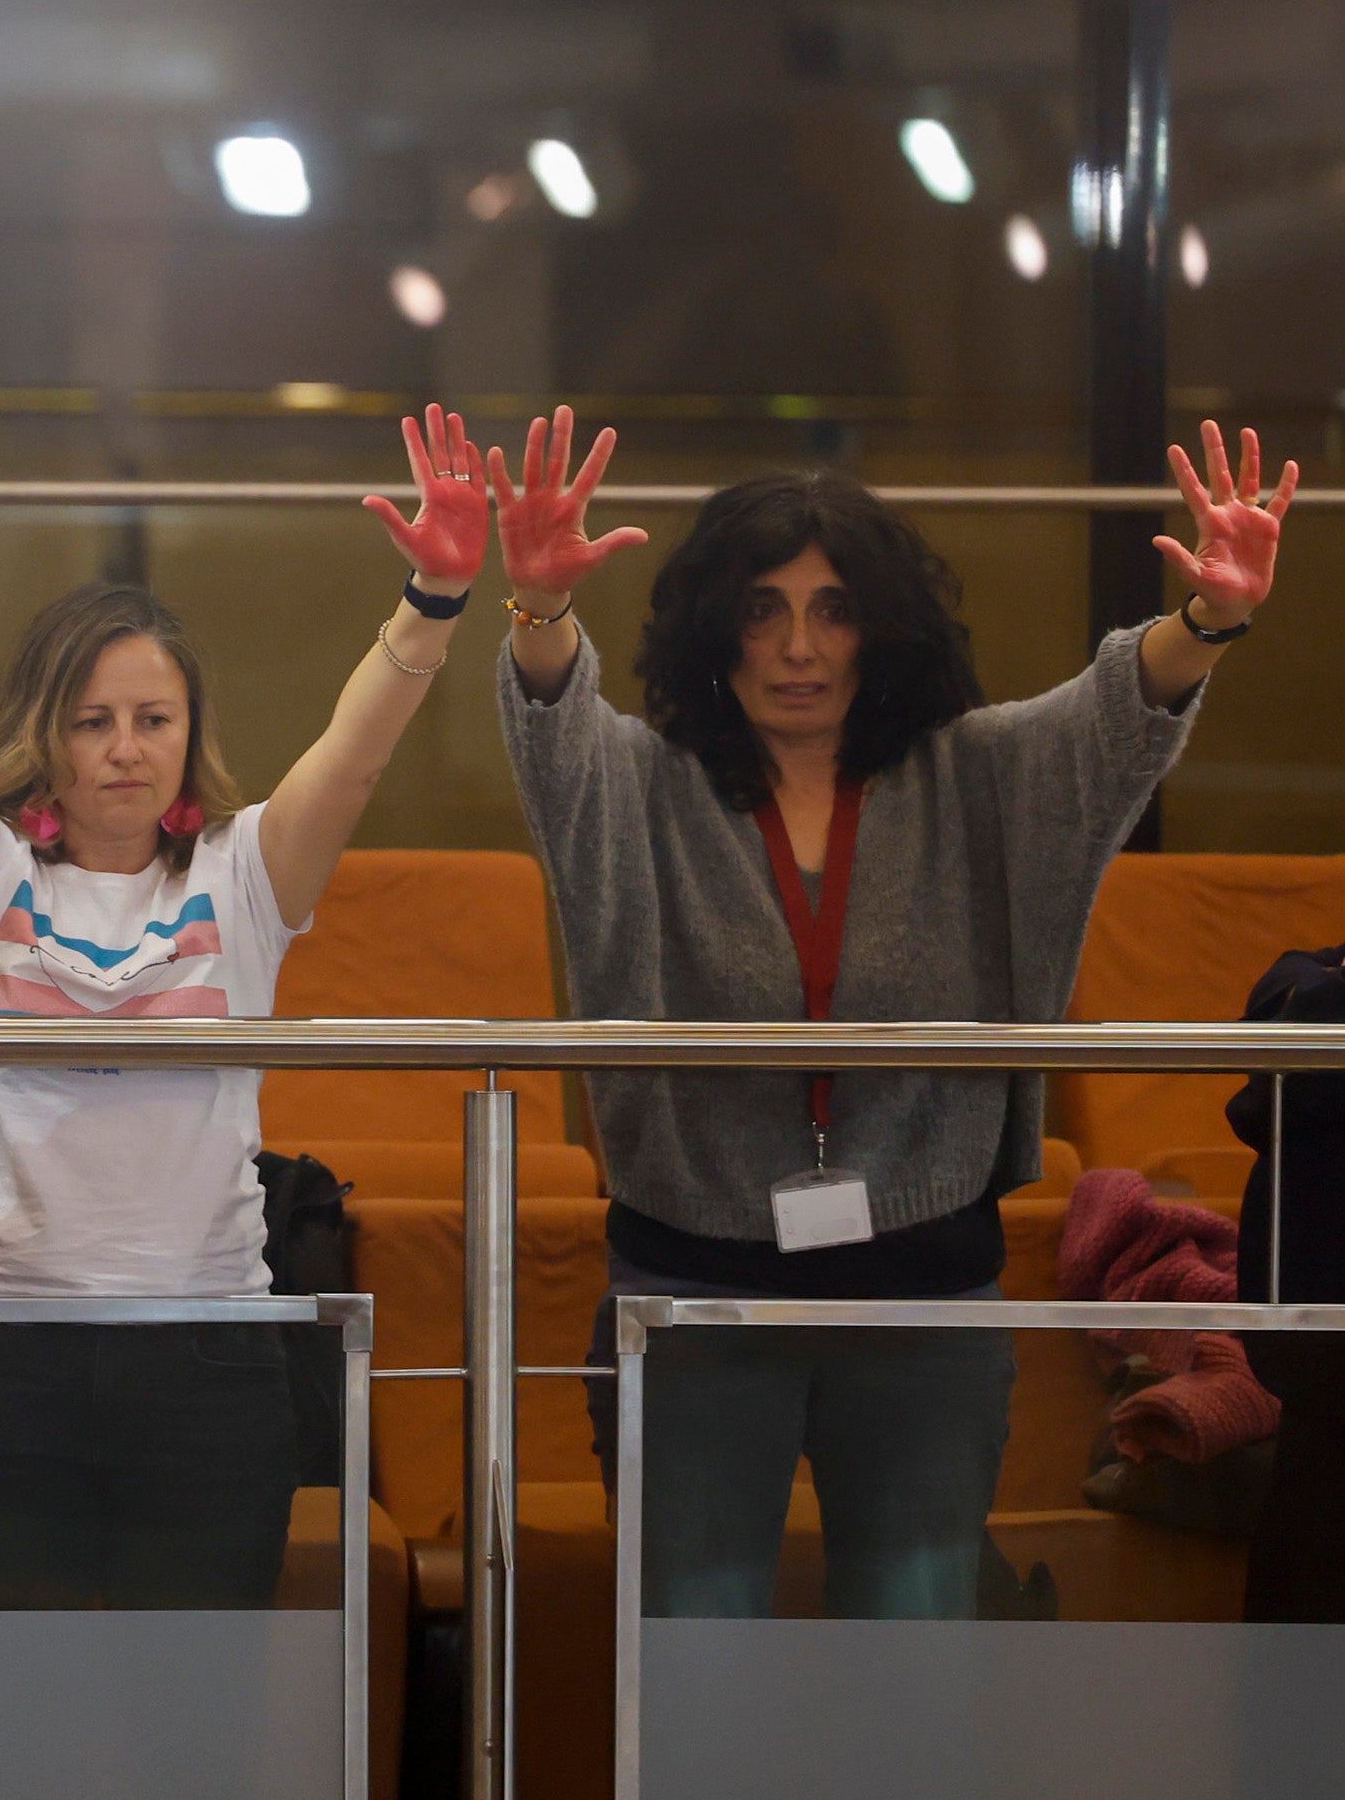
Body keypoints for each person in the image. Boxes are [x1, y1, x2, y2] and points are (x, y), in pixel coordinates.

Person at [498, 410, 1289, 1618]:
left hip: (922, 1300)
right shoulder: (650, 785)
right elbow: (559, 741)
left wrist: (1213, 617)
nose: (798, 647)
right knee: (693, 1681)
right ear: (718, 630)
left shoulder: (972, 771)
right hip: (696, 1297)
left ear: (883, 625)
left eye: (832, 607)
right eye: (763, 609)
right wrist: (545, 612)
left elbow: (1111, 720)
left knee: (912, 1672)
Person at [0, 405, 484, 1608]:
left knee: (187, 1755)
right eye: (93, 721)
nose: (125, 749)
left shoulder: (244, 876)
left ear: (190, 738)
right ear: (49, 731)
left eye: (153, 720)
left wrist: (433, 598)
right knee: (14, 1737)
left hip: (205, 1371)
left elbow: (352, 756)